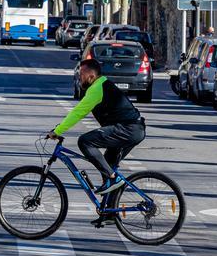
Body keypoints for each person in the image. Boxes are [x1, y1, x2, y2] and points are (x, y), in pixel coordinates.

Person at [47, 58, 145, 196]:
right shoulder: (102, 84)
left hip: (128, 129)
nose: (79, 78)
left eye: (81, 75)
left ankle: (113, 178)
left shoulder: (97, 88)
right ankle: (110, 215)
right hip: (131, 129)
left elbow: (78, 112)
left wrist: (57, 131)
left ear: (91, 76)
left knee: (85, 141)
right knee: (107, 168)